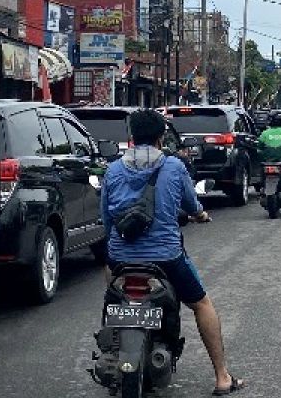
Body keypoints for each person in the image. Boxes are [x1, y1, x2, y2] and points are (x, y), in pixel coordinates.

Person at [101, 110, 245, 395]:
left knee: (111, 287)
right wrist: (201, 215)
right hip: (166, 258)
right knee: (202, 305)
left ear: (131, 137)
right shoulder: (175, 166)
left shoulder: (113, 170)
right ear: (160, 137)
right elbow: (192, 205)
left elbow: (106, 219)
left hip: (121, 259)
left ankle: (115, 342)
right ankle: (222, 376)